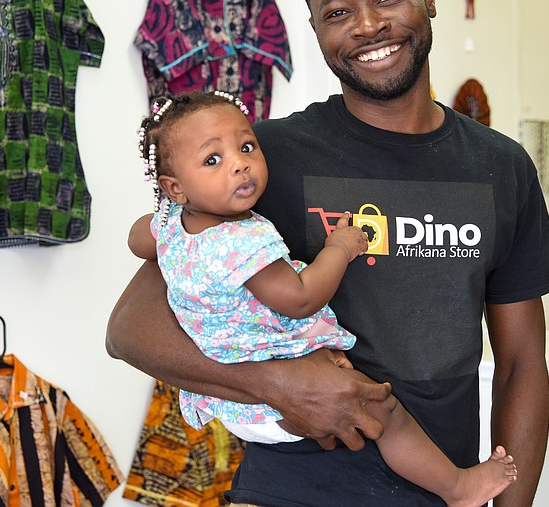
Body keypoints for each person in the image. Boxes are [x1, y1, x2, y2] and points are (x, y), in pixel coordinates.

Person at [107, 0, 549, 506]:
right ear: (318, 30)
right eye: (337, 12)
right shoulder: (264, 164)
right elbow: (128, 330)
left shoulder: (501, 167)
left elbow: (523, 364)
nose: (369, 25)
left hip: (441, 485)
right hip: (292, 490)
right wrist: (277, 385)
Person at [128, 89, 518, 506]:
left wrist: (168, 226)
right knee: (384, 412)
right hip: (277, 400)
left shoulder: (172, 225)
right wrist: (341, 248)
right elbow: (299, 299)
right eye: (212, 160)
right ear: (175, 186)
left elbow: (137, 238)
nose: (239, 164)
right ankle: (458, 488)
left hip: (230, 401)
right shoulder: (241, 241)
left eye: (245, 147)